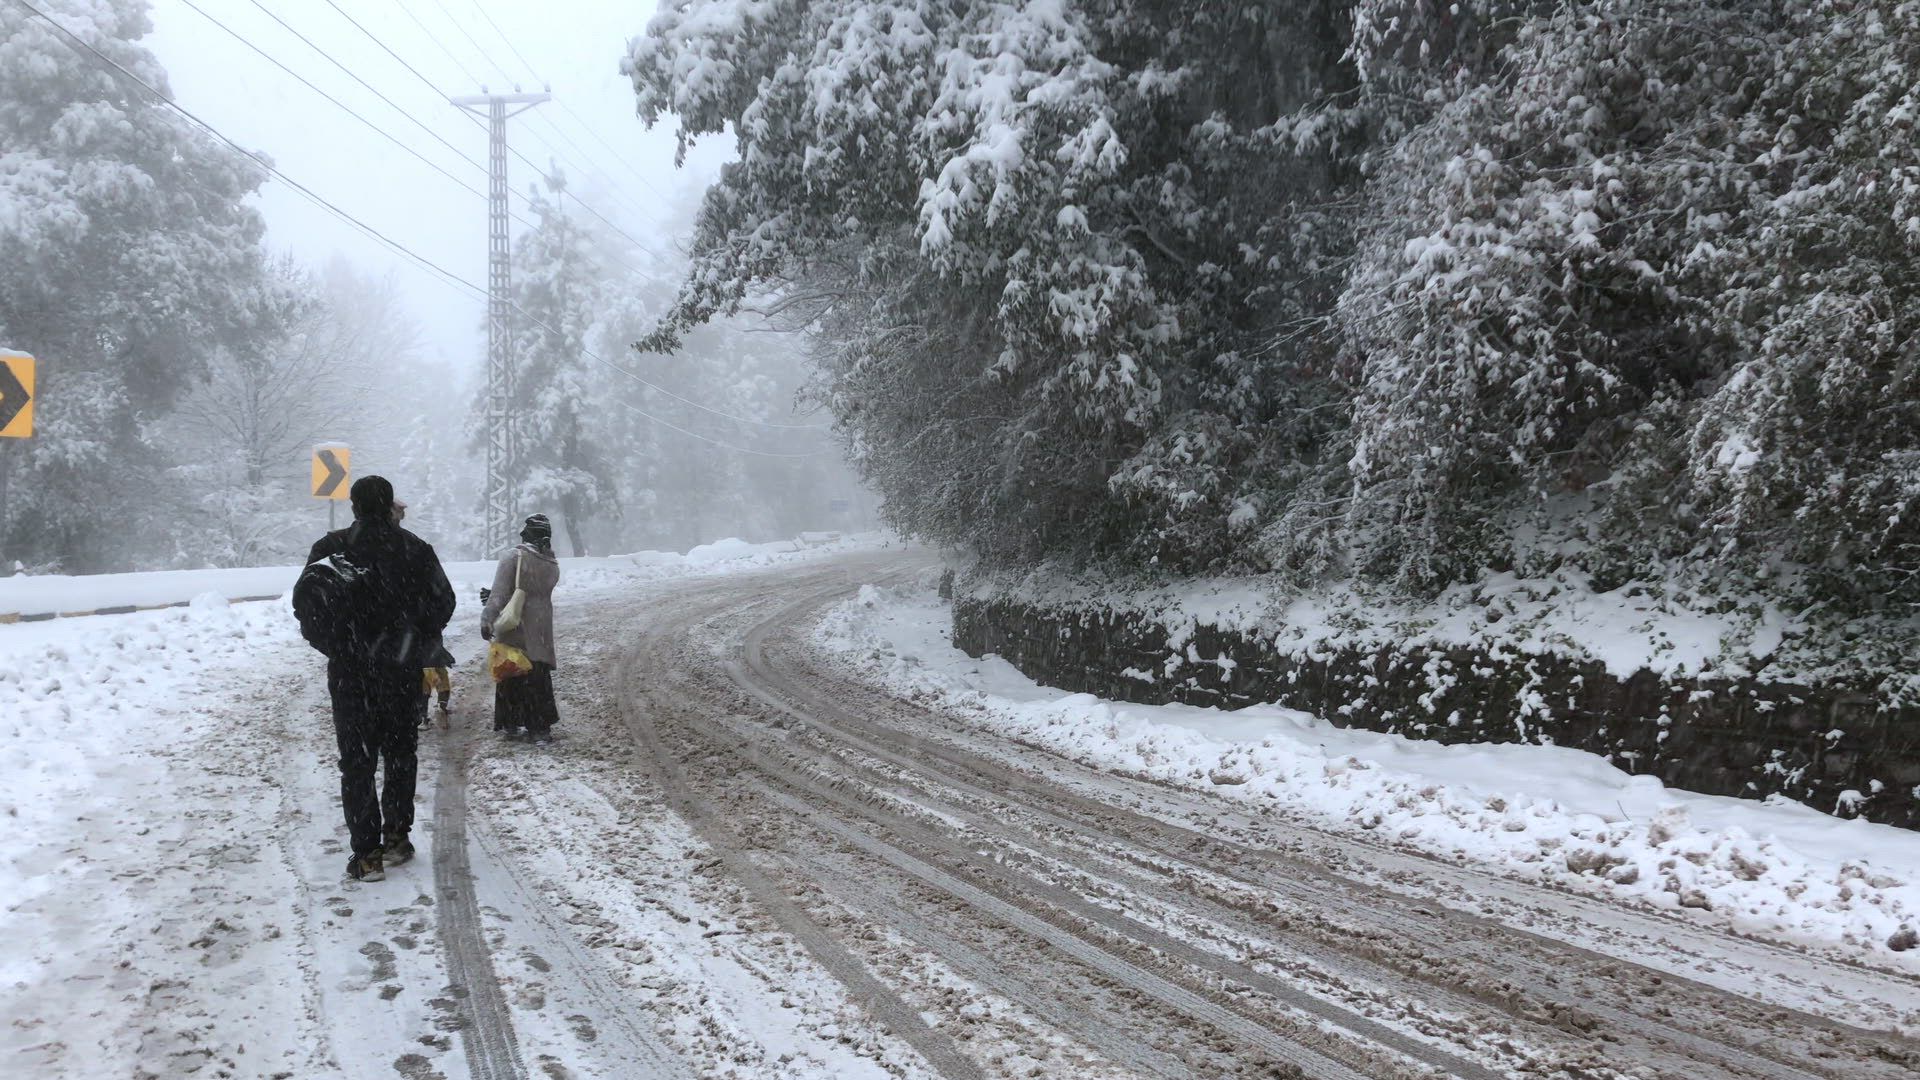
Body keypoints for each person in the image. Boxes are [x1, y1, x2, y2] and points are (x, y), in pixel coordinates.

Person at [301, 476, 455, 882]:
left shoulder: (332, 549)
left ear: (354, 506)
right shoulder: (416, 550)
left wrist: (339, 647)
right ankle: (398, 838)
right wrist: (414, 639)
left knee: (357, 761)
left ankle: (367, 854)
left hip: (351, 674)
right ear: (389, 506)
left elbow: (308, 607)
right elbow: (445, 602)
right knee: (401, 755)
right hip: (402, 673)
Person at [481, 513, 562, 743]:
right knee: (538, 675)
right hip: (541, 627)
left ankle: (512, 721)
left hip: (517, 626)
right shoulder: (552, 564)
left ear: (525, 533)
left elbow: (499, 596)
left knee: (514, 670)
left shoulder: (513, 557)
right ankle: (540, 727)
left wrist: (487, 619)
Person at [392, 499, 454, 728]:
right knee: (429, 673)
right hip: (421, 633)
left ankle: (420, 714)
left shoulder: (348, 547)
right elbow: (446, 597)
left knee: (422, 677)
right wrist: (432, 624)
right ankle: (426, 712)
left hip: (392, 641)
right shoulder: (417, 549)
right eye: (399, 511)